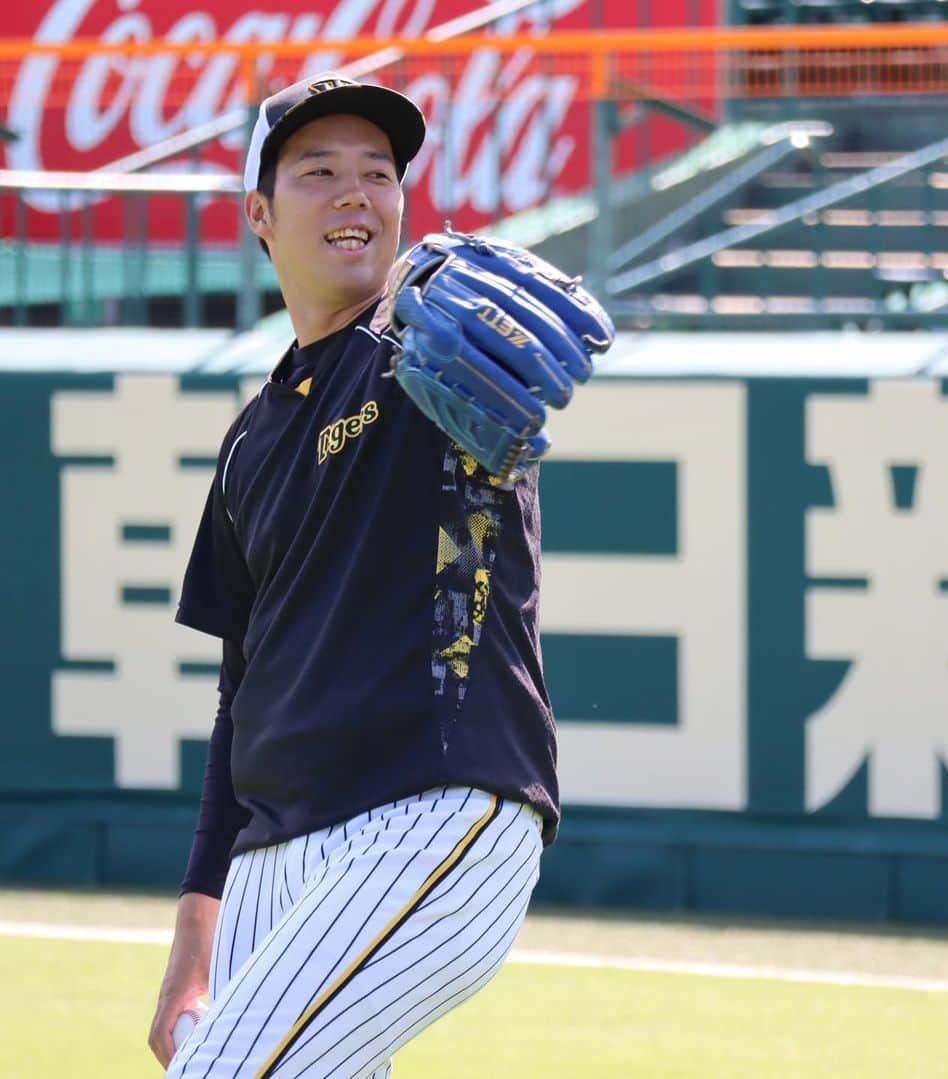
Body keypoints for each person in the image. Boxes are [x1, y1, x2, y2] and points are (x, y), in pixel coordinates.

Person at [148, 72, 561, 1078]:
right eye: (319, 170)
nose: (355, 192)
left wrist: (487, 373)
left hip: (428, 810)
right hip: (271, 858)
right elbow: (238, 697)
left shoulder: (424, 354)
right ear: (260, 212)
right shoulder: (252, 439)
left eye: (379, 173)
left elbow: (499, 391)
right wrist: (191, 941)